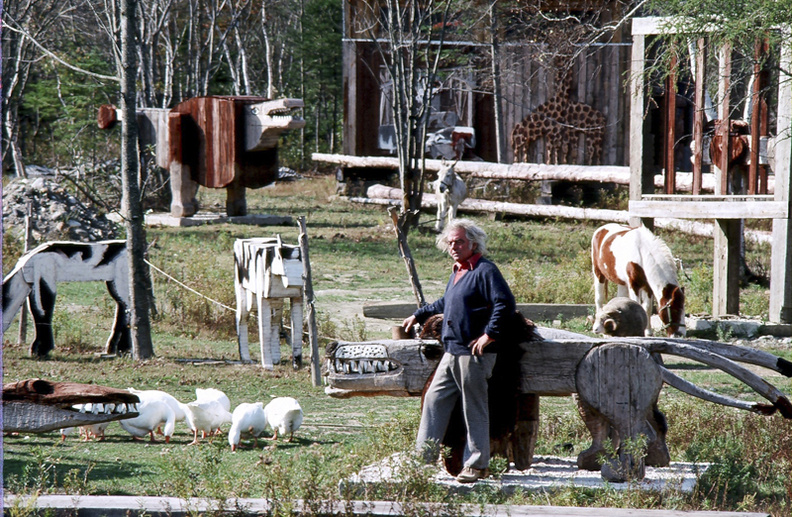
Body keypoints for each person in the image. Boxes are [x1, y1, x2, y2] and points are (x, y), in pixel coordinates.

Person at [402, 218, 516, 483]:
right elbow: (446, 301)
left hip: (474, 354)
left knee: (473, 408)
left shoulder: (485, 270)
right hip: (452, 351)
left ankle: (477, 465)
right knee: (434, 400)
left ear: (473, 243)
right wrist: (419, 315)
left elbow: (504, 303)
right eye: (450, 242)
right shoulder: (458, 270)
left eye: (459, 242)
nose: (454, 246)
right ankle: (422, 460)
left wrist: (489, 335)